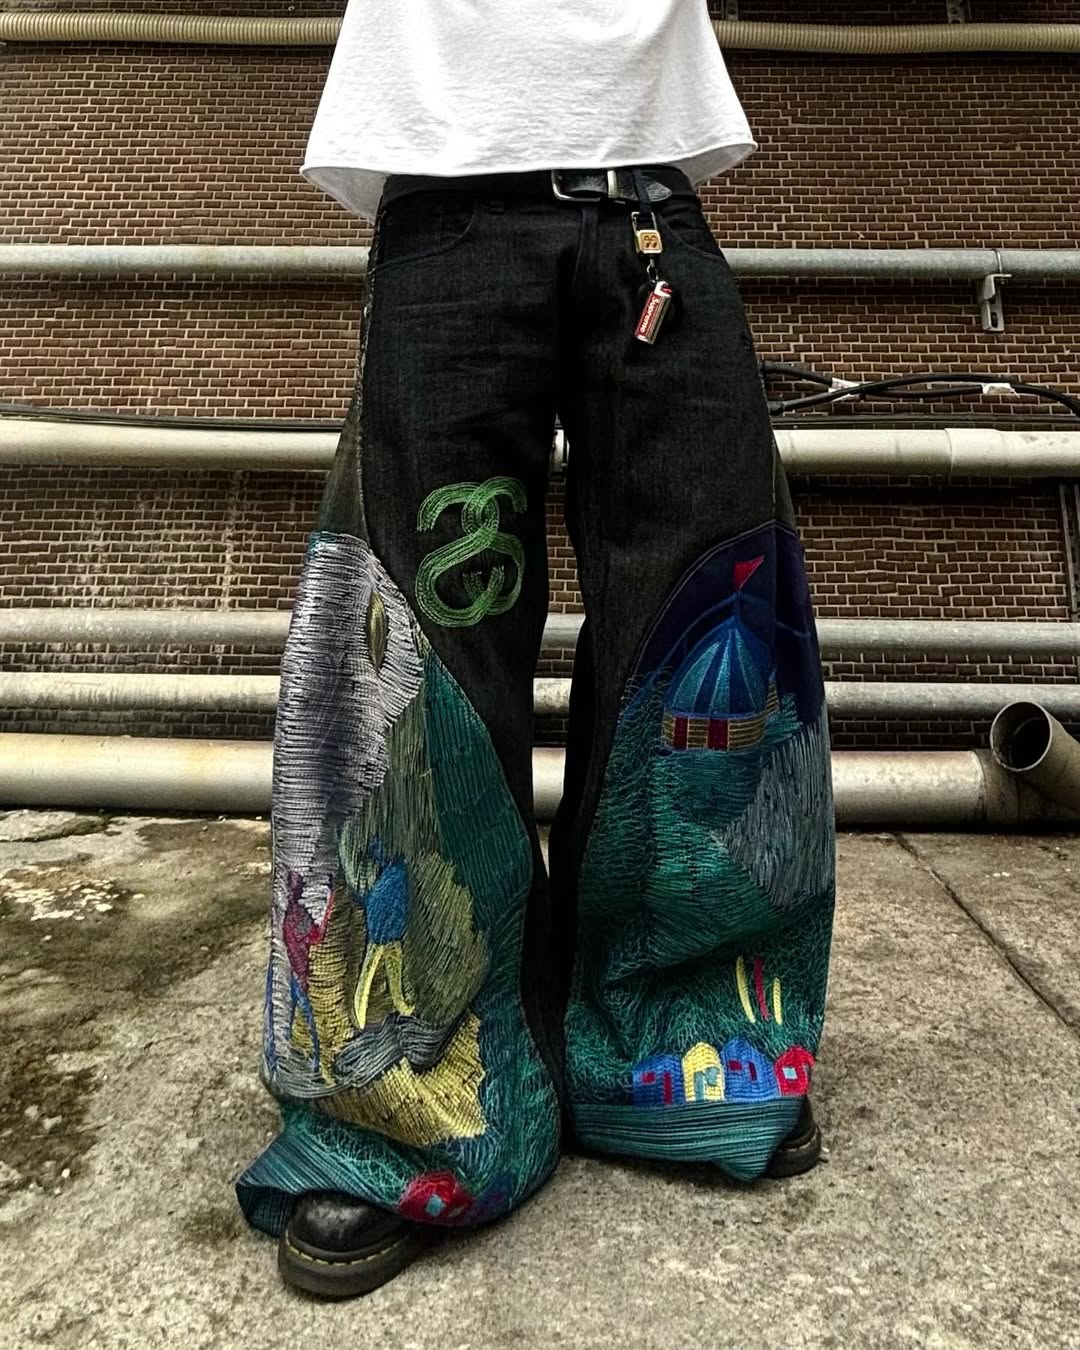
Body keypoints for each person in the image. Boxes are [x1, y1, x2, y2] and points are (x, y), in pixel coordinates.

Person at [235, 0, 837, 1299]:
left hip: (650, 196)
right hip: (444, 180)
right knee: (415, 641)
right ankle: (408, 1094)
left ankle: (680, 1036)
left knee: (711, 612)